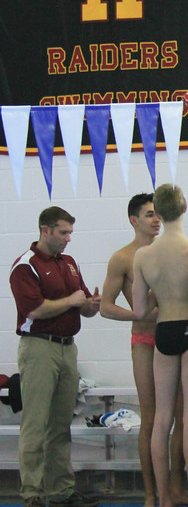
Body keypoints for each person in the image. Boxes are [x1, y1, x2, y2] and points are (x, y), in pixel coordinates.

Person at [100, 193, 188, 507]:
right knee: (151, 418)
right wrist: (136, 315)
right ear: (133, 220)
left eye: (158, 214)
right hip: (145, 340)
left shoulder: (170, 251)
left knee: (181, 416)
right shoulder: (123, 257)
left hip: (174, 336)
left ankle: (175, 486)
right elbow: (106, 307)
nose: (156, 220)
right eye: (149, 214)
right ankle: (151, 492)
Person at [10, 206, 101, 507]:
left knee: (61, 424)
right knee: (35, 425)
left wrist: (90, 305)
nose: (68, 239)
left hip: (67, 347)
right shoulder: (26, 265)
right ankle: (33, 493)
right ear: (45, 230)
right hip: (39, 348)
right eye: (63, 232)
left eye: (70, 233)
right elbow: (34, 310)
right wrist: (72, 301)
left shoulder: (69, 263)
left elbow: (82, 303)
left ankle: (61, 490)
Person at [131, 184, 188, 507]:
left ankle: (162, 499)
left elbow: (141, 312)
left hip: (163, 332)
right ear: (185, 208)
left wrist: (160, 293)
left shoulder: (143, 256)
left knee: (161, 419)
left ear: (157, 212)